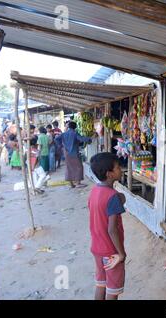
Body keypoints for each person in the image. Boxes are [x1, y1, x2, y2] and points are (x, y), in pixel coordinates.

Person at [88, 152, 126, 300]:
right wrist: (121, 254)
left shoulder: (94, 192)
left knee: (101, 285)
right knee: (112, 291)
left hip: (97, 248)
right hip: (111, 251)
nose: (121, 169)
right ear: (110, 174)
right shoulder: (112, 197)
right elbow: (112, 229)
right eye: (117, 168)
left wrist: (119, 198)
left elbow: (101, 211)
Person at [55, 121, 91, 188]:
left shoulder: (64, 133)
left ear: (68, 127)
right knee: (79, 167)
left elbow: (56, 139)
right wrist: (89, 138)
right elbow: (81, 139)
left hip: (66, 153)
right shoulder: (74, 133)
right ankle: (78, 183)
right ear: (75, 127)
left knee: (69, 167)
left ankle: (71, 183)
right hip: (74, 153)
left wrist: (61, 146)